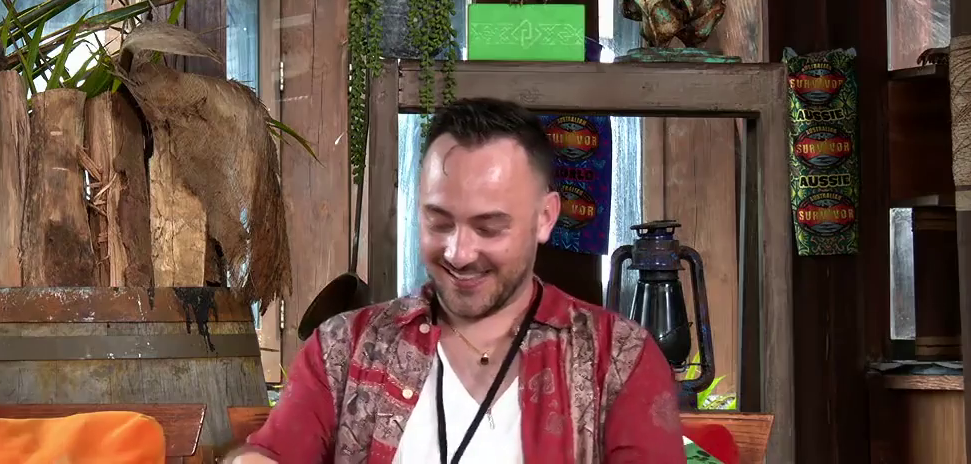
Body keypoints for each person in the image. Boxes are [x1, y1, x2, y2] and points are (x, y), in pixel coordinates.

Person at [231, 98, 683, 464]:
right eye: (439, 222)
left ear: (545, 218)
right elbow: (271, 453)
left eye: (489, 227)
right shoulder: (343, 350)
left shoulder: (617, 358)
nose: (458, 253)